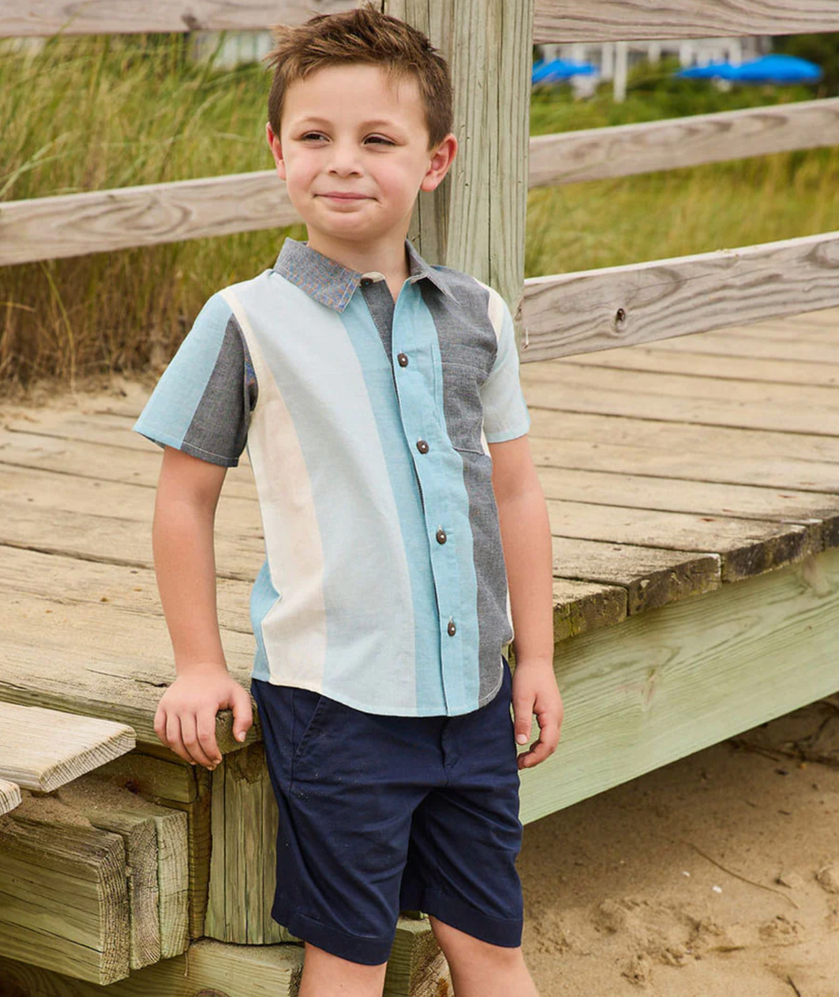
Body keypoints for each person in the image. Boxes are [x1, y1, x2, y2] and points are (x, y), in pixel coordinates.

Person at [133, 5, 563, 995]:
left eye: (378, 139)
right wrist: (198, 664)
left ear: (436, 158)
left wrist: (532, 656)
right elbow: (183, 499)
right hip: (337, 703)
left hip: (475, 696)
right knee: (352, 953)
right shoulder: (245, 319)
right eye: (316, 137)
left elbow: (517, 489)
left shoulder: (477, 314)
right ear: (277, 151)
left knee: (491, 942)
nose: (344, 161)